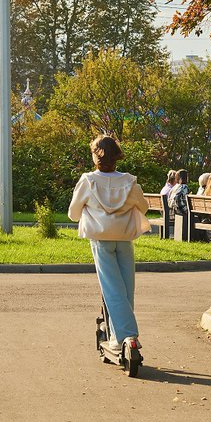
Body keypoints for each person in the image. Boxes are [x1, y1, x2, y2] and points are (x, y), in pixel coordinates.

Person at [68, 135, 151, 352]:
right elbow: (143, 207)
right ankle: (118, 336)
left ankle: (126, 335)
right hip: (125, 238)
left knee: (112, 288)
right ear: (117, 156)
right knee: (125, 288)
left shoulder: (88, 180)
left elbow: (73, 214)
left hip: (101, 239)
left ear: (96, 156)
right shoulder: (129, 181)